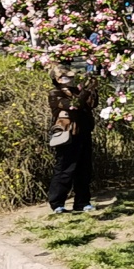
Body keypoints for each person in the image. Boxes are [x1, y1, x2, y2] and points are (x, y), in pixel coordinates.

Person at [47, 63, 99, 213]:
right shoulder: (55, 93)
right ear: (57, 79)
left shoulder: (77, 90)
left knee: (84, 169)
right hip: (67, 135)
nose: (69, 79)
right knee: (65, 169)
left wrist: (93, 89)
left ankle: (82, 202)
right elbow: (73, 106)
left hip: (83, 133)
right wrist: (86, 90)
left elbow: (91, 104)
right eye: (64, 76)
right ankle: (57, 203)